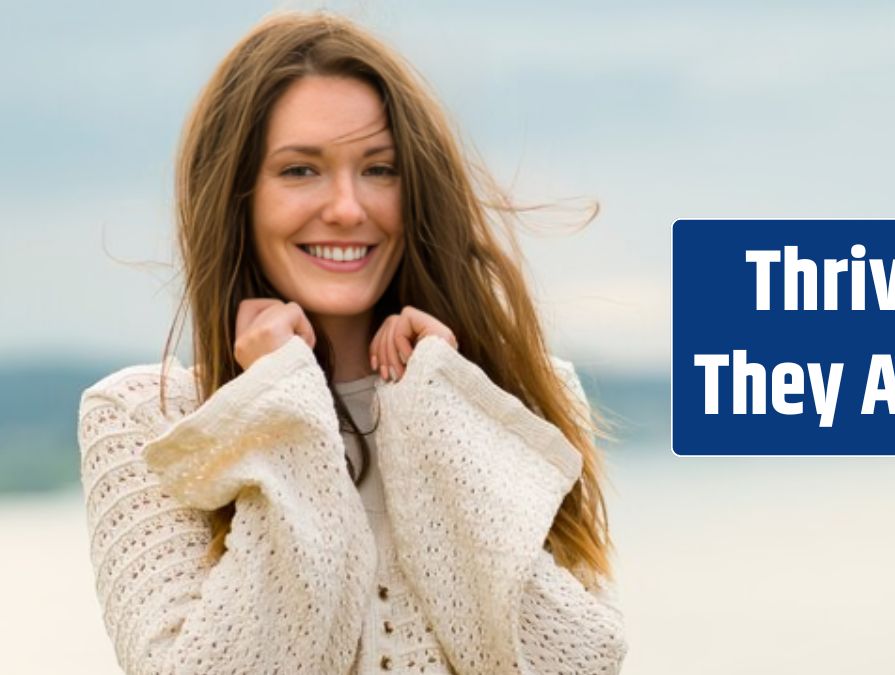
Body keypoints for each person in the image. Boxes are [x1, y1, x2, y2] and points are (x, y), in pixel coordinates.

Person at [77, 11, 626, 675]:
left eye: (379, 169)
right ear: (238, 195)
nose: (346, 206)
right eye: (301, 170)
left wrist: (441, 409)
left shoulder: (516, 394)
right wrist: (280, 409)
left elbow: (572, 663)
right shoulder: (144, 418)